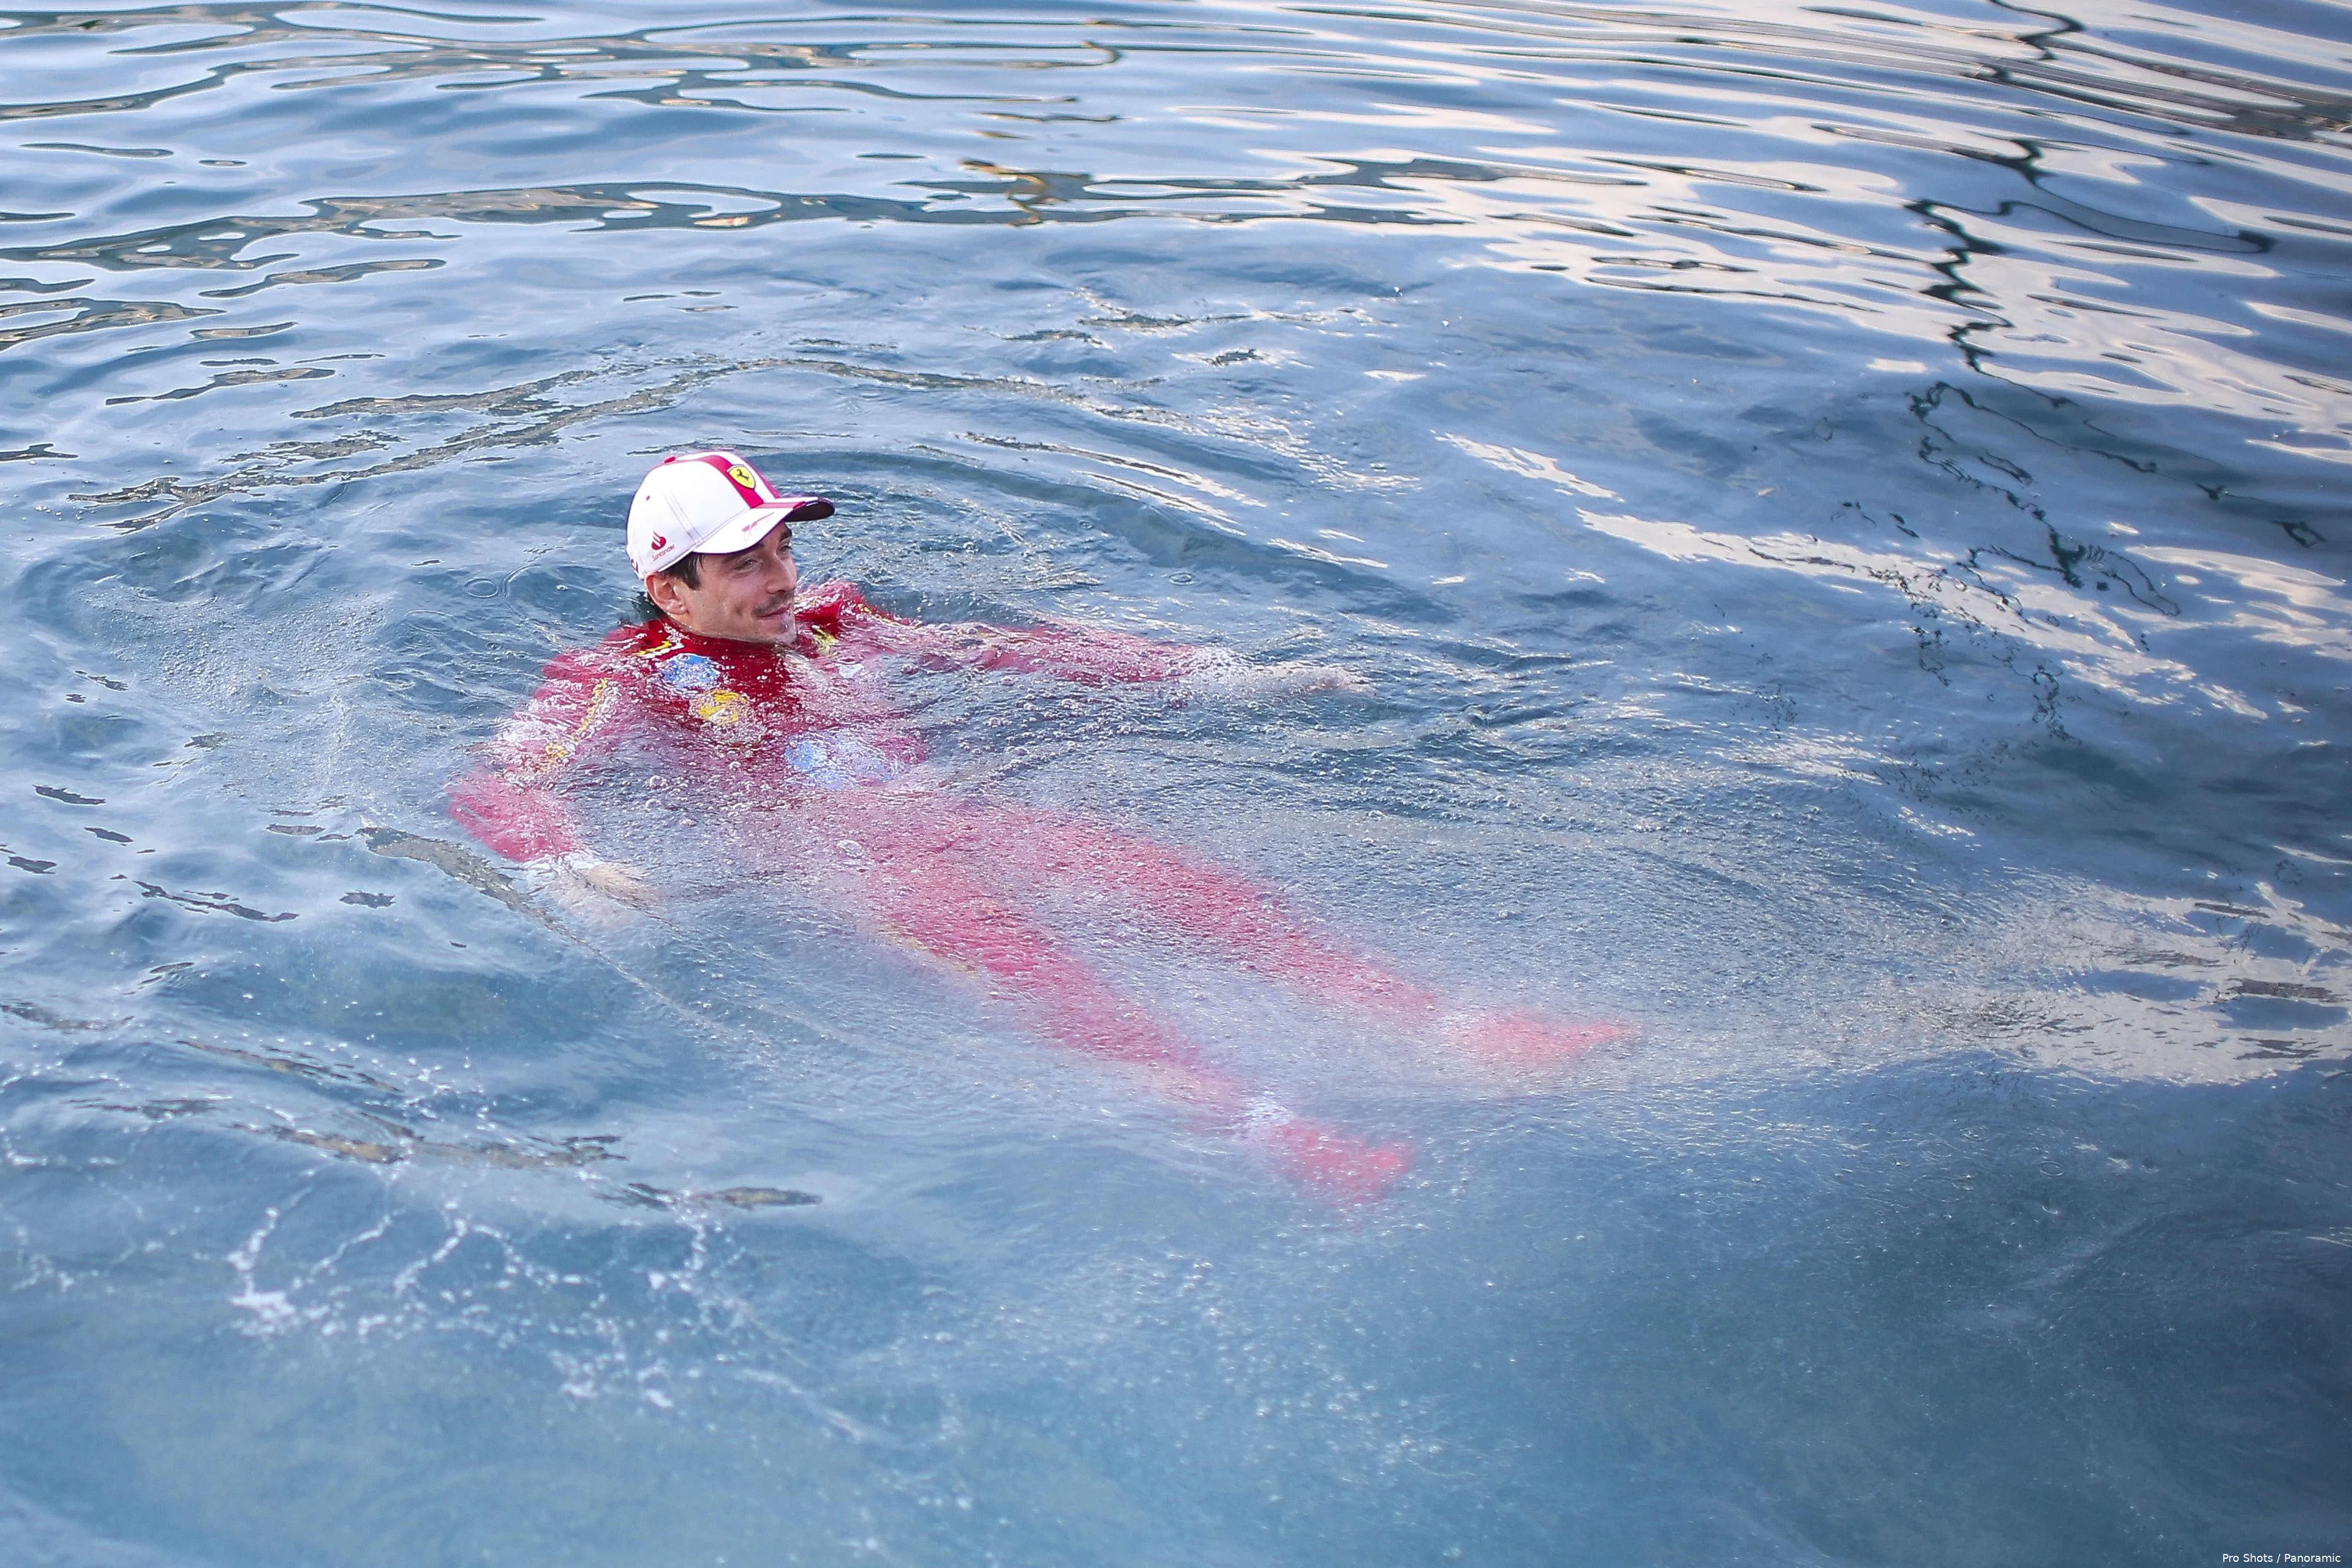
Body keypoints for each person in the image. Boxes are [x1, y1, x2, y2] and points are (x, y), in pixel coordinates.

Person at [451, 451, 1619, 1201]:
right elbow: (500, 783)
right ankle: (1273, 1137)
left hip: (950, 815)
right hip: (838, 862)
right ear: (670, 590)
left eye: (784, 545)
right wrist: (566, 858)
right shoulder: (619, 674)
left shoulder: (836, 623)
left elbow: (1013, 653)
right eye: (745, 561)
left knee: (1199, 894)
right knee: (1056, 985)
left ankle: (1456, 1031)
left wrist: (1213, 678)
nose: (781, 574)